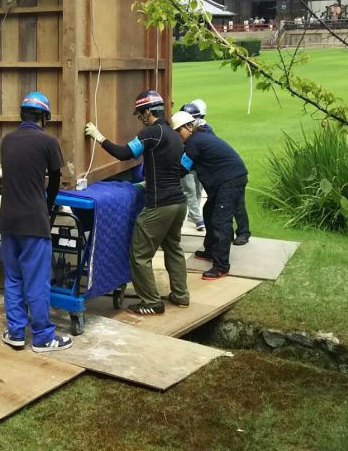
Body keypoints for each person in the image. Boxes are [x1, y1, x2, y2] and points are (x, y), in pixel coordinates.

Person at [85, 90, 189, 315]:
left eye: (140, 114)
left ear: (148, 112)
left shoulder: (151, 133)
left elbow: (124, 154)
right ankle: (181, 295)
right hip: (179, 203)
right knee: (173, 249)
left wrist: (98, 136)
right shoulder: (173, 134)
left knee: (139, 255)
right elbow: (181, 168)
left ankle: (151, 302)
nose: (140, 119)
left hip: (159, 205)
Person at [0, 92, 72, 353]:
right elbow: (54, 181)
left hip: (7, 221)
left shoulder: (7, 141)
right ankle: (42, 337)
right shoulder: (48, 142)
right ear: (43, 117)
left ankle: (16, 333)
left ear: (22, 114)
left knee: (13, 278)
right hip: (33, 221)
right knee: (37, 280)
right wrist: (48, 207)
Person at [170, 110, 248, 280]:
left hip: (230, 179)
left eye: (178, 131)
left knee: (221, 221)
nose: (177, 135)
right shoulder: (199, 137)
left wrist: (163, 176)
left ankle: (221, 266)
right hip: (227, 178)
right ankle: (211, 251)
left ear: (189, 127)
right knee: (209, 212)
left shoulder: (194, 142)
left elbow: (182, 169)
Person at [178, 101, 209, 231]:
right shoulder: (178, 132)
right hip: (186, 167)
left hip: (196, 166)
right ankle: (198, 219)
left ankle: (192, 214)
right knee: (189, 191)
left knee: (197, 189)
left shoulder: (204, 130)